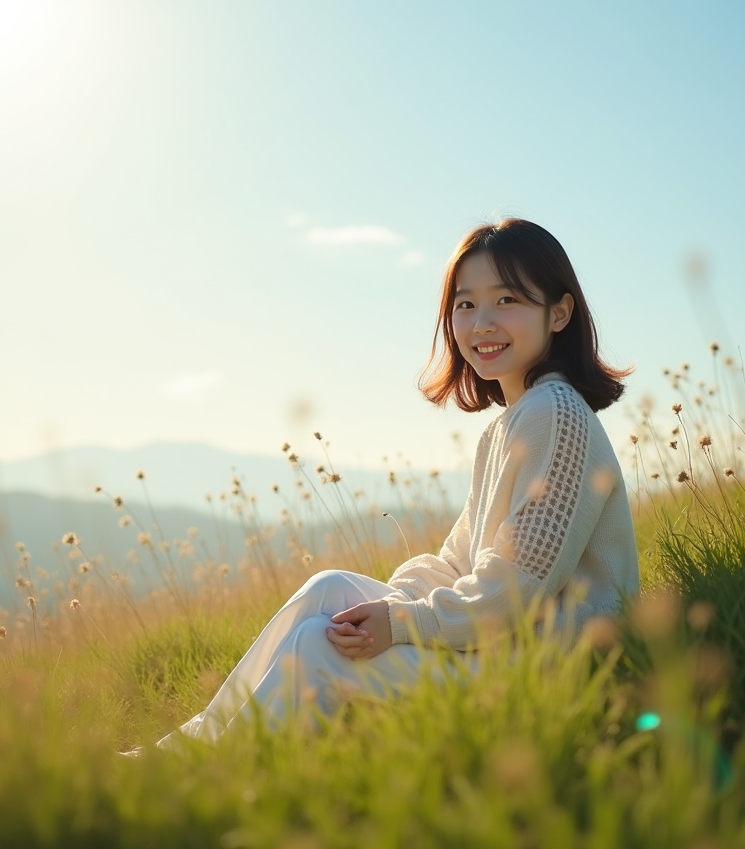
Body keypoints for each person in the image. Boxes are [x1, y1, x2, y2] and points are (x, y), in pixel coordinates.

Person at [149, 218, 640, 747]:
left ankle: (206, 774)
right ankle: (187, 748)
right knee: (331, 590)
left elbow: (518, 588)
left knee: (320, 645)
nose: (482, 324)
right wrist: (384, 610)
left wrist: (407, 623)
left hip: (549, 674)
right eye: (466, 304)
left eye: (507, 300)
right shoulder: (507, 427)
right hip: (502, 648)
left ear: (559, 312)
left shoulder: (556, 414)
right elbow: (457, 563)